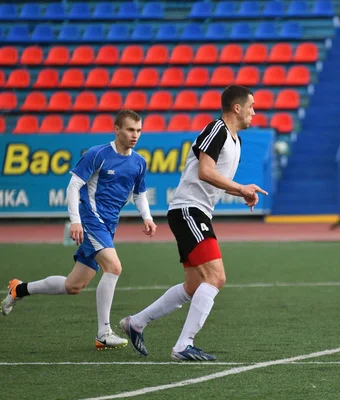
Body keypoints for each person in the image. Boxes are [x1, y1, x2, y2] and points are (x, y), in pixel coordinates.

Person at [120, 85, 267, 361]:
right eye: (252, 106)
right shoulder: (218, 129)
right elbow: (205, 172)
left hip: (197, 212)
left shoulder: (236, 140)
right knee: (216, 277)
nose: (254, 112)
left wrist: (242, 191)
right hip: (189, 210)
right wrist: (241, 187)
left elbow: (215, 178)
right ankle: (183, 345)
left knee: (193, 286)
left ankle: (135, 323)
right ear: (237, 107)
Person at [2, 109, 157, 350]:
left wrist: (146, 217)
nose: (135, 135)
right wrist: (75, 220)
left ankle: (18, 289)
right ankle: (103, 333)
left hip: (108, 225)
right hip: (90, 219)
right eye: (129, 129)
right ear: (116, 129)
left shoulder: (139, 162)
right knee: (114, 267)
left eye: (138, 130)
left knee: (73, 286)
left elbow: (139, 194)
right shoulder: (98, 154)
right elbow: (74, 186)